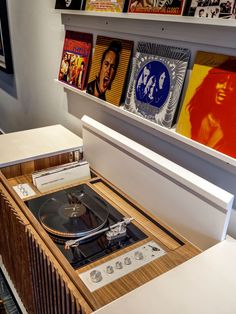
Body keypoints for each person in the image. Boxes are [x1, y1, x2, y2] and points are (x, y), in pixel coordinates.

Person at [186, 61, 236, 157]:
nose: (225, 87)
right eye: (221, 81)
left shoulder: (231, 130)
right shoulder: (200, 118)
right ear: (212, 84)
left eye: (232, 85)